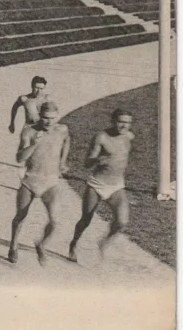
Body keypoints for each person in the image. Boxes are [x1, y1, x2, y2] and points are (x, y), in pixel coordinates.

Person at [8, 102, 70, 265]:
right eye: (45, 118)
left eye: (52, 118)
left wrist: (62, 162)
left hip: (50, 182)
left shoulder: (62, 130)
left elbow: (66, 141)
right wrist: (35, 144)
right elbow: (19, 158)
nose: (49, 122)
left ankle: (41, 244)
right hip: (30, 180)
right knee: (20, 216)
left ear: (57, 116)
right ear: (39, 116)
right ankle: (13, 244)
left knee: (55, 221)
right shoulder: (29, 131)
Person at [68, 109, 134, 263]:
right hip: (97, 184)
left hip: (116, 186)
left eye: (127, 122)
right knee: (86, 219)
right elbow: (86, 163)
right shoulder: (101, 138)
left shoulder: (129, 137)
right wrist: (98, 160)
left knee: (122, 221)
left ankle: (104, 242)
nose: (123, 126)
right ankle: (73, 243)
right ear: (113, 121)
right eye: (120, 121)